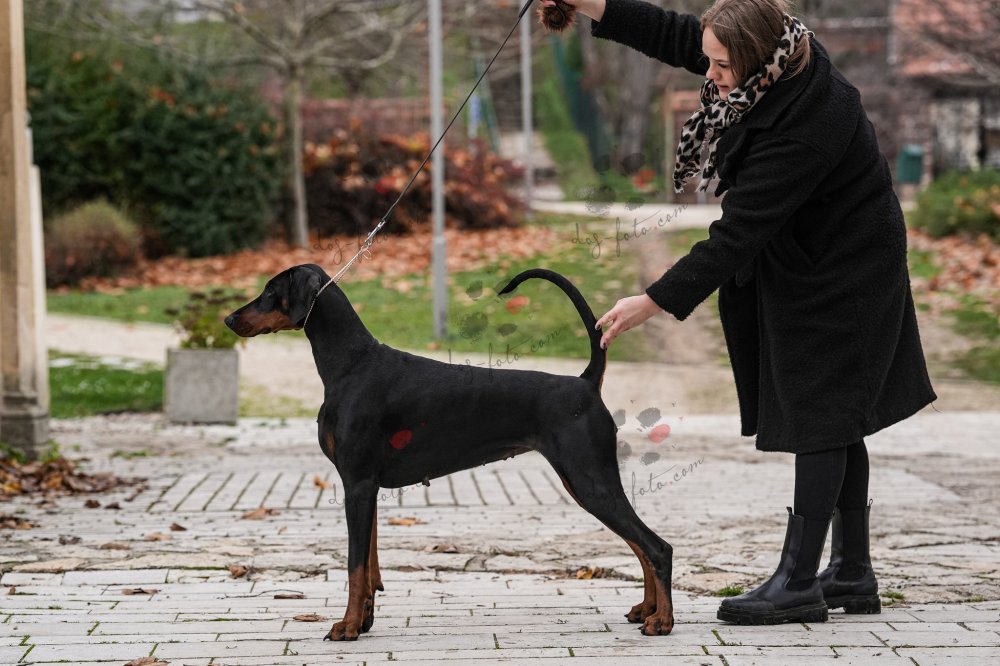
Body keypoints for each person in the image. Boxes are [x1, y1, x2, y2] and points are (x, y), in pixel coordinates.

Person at [545, 0, 937, 625]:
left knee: (823, 414)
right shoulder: (776, 58)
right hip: (812, 254)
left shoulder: (810, 120)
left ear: (755, 62)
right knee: (837, 413)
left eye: (722, 65)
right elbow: (673, 34)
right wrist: (587, 2)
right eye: (710, 60)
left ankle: (799, 582)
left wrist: (652, 300)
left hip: (847, 269)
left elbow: (737, 234)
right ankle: (852, 572)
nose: (711, 74)